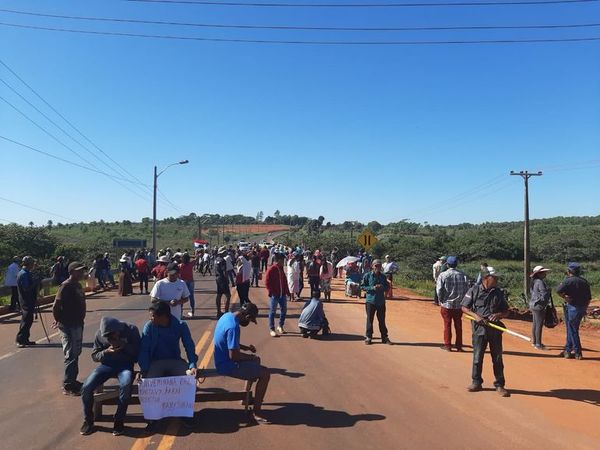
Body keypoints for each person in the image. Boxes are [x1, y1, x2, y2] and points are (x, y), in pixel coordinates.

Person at [138, 302, 198, 431]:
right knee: (149, 384)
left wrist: (192, 364)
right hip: (156, 362)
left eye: (153, 316)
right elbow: (144, 349)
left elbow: (189, 346)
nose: (151, 318)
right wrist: (144, 368)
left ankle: (184, 414)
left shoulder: (180, 325)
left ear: (164, 316)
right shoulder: (149, 327)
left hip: (174, 360)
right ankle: (152, 417)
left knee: (188, 380)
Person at [80, 317, 141, 436]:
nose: (112, 338)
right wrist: (106, 352)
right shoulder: (99, 334)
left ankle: (119, 420)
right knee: (86, 387)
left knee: (126, 385)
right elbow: (94, 356)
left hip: (125, 366)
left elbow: (138, 353)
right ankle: (88, 420)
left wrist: (124, 346)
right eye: (108, 337)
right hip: (106, 366)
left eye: (113, 335)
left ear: (118, 330)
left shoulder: (131, 330)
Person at [213, 302, 271, 423]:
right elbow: (234, 355)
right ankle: (256, 412)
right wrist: (250, 357)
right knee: (265, 374)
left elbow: (228, 342)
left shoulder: (227, 316)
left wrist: (246, 348)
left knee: (256, 360)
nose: (248, 323)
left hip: (221, 358)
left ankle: (245, 397)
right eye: (250, 321)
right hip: (226, 365)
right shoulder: (233, 327)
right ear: (248, 317)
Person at [461, 266, 510, 397]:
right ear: (486, 278)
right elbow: (464, 307)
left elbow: (506, 311)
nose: (497, 280)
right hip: (479, 330)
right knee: (477, 357)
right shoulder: (474, 290)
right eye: (495, 277)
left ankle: (500, 385)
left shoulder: (498, 292)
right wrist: (476, 316)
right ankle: (476, 382)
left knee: (497, 358)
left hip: (495, 330)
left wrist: (499, 315)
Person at [53, 261, 88, 396]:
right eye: (79, 271)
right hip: (67, 324)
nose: (81, 273)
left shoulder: (77, 285)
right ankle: (68, 385)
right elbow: (56, 305)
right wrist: (58, 320)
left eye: (82, 271)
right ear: (72, 272)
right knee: (70, 354)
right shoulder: (66, 286)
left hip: (78, 323)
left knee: (76, 352)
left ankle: (73, 380)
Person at [556, 262, 592, 360]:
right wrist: (584, 308)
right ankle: (567, 351)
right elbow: (589, 298)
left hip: (572, 307)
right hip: (581, 308)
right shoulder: (584, 281)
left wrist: (564, 297)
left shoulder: (568, 281)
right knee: (570, 329)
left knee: (573, 330)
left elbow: (558, 290)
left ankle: (577, 352)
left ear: (569, 271)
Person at [436, 256, 469, 352]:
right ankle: (459, 346)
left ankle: (448, 345)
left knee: (447, 325)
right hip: (459, 305)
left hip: (447, 305)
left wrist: (441, 300)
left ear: (447, 264)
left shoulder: (443, 275)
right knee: (458, 325)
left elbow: (439, 290)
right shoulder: (463, 275)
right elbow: (467, 290)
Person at [361, 259, 391, 345]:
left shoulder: (383, 277)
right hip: (370, 301)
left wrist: (382, 287)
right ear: (372, 266)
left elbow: (387, 287)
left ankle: (384, 337)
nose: (378, 267)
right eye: (376, 265)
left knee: (382, 320)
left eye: (379, 266)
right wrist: (372, 288)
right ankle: (368, 337)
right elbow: (362, 287)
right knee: (370, 320)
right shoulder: (367, 276)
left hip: (381, 301)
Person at [15, 256, 40, 347]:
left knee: (28, 319)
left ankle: (25, 339)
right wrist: (35, 283)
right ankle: (20, 340)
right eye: (32, 263)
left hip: (27, 299)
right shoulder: (24, 274)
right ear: (29, 264)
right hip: (26, 300)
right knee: (26, 320)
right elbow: (26, 288)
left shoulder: (25, 273)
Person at [265, 252, 291, 337]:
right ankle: (272, 329)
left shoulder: (281, 269)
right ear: (279, 260)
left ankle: (280, 325)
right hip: (275, 295)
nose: (283, 262)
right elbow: (267, 282)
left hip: (282, 294)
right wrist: (271, 292)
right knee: (272, 312)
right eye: (283, 260)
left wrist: (287, 292)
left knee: (284, 310)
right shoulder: (272, 269)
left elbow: (284, 281)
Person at [529, 265, 552, 350]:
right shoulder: (540, 282)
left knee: (535, 324)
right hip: (539, 306)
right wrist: (548, 292)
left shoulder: (534, 281)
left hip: (533, 304)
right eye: (543, 273)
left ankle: (534, 341)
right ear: (539, 274)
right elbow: (544, 295)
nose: (545, 274)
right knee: (539, 325)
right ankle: (538, 344)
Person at [215, 247, 232, 318]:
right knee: (228, 295)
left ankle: (219, 312)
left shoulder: (216, 260)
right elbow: (225, 271)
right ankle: (226, 312)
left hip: (217, 278)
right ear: (221, 253)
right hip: (222, 279)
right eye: (224, 252)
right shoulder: (223, 261)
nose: (226, 253)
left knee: (219, 295)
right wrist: (227, 280)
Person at [179, 253, 196, 317]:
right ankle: (192, 311)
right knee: (191, 296)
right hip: (190, 281)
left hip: (183, 282)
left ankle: (180, 313)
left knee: (182, 297)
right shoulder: (190, 264)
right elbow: (196, 258)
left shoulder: (180, 265)